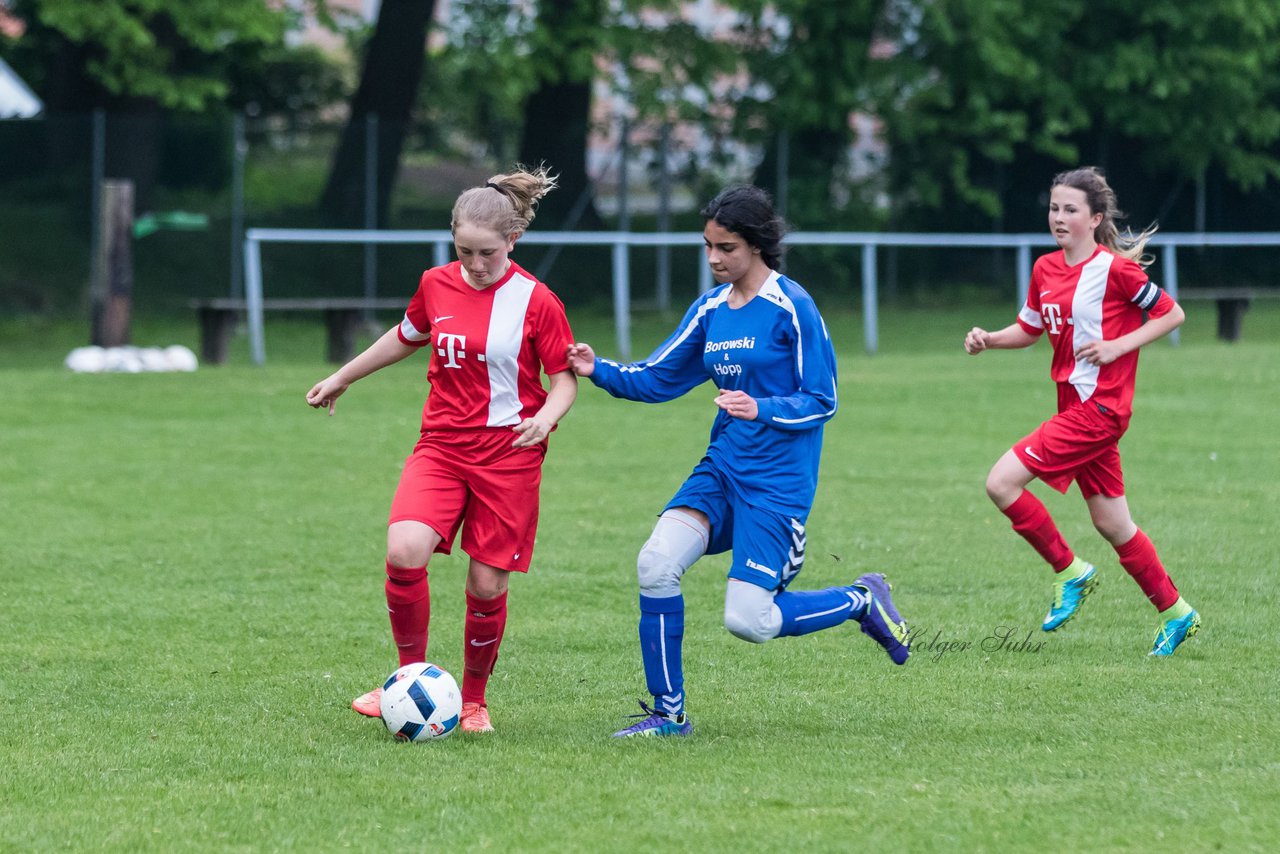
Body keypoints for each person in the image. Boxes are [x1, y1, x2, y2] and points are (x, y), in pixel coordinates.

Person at [566, 185, 911, 739]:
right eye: (707, 246)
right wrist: (596, 367)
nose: (713, 258)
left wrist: (761, 407)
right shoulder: (709, 310)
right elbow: (657, 378)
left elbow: (823, 399)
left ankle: (860, 599)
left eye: (724, 247)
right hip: (722, 469)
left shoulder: (791, 306)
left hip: (777, 486)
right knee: (655, 564)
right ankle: (669, 715)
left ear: (755, 245)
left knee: (749, 621)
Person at [306, 166, 577, 733]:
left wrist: (545, 418)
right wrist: (343, 377)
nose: (476, 265)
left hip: (509, 455)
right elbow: (405, 335)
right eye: (464, 252)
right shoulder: (436, 283)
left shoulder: (538, 300)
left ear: (512, 240)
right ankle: (408, 683)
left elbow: (564, 379)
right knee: (405, 549)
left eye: (486, 253)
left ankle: (473, 701)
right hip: (442, 448)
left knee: (485, 584)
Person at [963, 166, 1199, 657]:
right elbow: (1028, 330)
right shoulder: (1045, 269)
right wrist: (989, 340)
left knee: (1000, 482)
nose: (1059, 217)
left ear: (1095, 219)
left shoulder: (1116, 270)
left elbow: (1172, 313)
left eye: (1070, 210)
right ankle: (1177, 613)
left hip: (1100, 411)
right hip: (1074, 406)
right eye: (1054, 208)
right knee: (1113, 524)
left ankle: (1071, 572)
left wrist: (1117, 346)